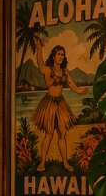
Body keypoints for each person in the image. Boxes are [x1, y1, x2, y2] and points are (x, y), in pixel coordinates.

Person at [33, 38, 89, 171]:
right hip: (49, 103)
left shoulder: (65, 71)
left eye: (62, 55)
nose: (61, 57)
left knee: (62, 134)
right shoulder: (47, 70)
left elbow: (73, 86)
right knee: (49, 134)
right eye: (58, 54)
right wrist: (39, 48)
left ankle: (65, 162)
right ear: (53, 56)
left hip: (61, 104)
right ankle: (42, 163)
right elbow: (40, 64)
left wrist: (83, 91)